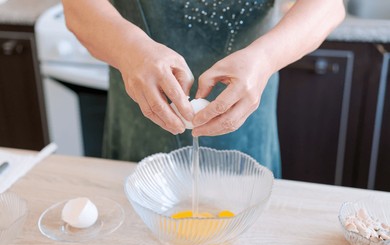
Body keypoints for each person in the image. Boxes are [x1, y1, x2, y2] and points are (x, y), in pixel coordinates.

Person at [61, 0, 345, 178]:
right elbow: (77, 7)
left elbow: (328, 6)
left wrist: (265, 58)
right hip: (139, 113)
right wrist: (129, 49)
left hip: (246, 111)